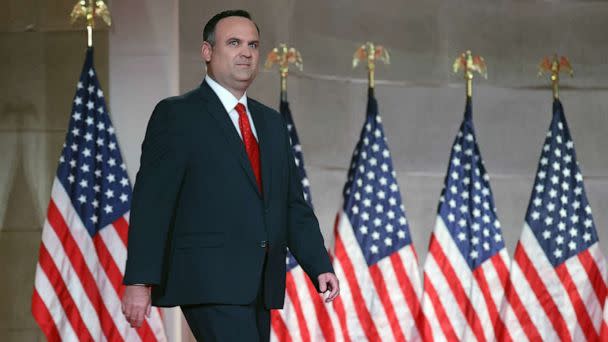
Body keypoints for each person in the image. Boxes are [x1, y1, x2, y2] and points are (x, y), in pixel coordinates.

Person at [121, 9, 339, 341]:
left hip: (261, 284)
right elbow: (153, 202)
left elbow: (291, 204)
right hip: (208, 281)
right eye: (234, 42)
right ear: (207, 52)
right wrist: (138, 280)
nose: (246, 52)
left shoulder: (270, 124)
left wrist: (319, 263)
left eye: (253, 45)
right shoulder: (177, 115)